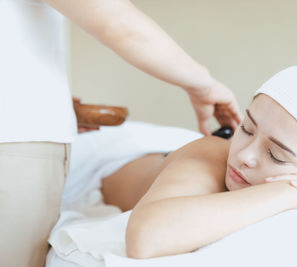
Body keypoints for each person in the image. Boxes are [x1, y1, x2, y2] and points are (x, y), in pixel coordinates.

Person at [0, 1, 241, 266]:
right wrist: (203, 84)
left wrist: (33, 98)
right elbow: (115, 20)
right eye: (249, 128)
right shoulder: (200, 154)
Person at [96, 66, 297, 259]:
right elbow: (145, 239)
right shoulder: (212, 154)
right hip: (109, 155)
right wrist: (290, 192)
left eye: (276, 155)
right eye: (247, 127)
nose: (243, 155)